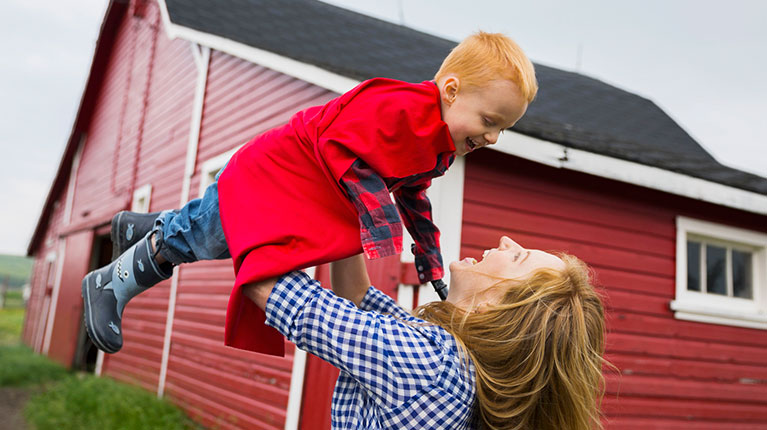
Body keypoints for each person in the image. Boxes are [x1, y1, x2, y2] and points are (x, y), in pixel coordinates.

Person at [81, 31, 538, 355]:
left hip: (305, 191)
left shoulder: (437, 147)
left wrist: (431, 261)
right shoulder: (396, 105)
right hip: (279, 169)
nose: (493, 137)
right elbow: (338, 141)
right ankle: (110, 282)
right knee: (211, 235)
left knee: (215, 229)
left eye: (503, 129)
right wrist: (377, 221)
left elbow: (414, 199)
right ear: (452, 91)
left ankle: (140, 227)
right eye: (489, 121)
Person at [243, 236, 607, 430]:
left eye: (517, 257)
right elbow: (357, 300)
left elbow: (278, 294)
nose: (506, 240)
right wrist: (347, 214)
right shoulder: (458, 366)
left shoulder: (430, 363)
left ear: (495, 307)